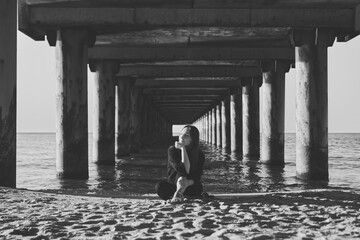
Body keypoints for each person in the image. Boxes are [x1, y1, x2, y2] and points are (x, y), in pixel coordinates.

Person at [155, 125, 205, 202]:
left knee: (199, 187)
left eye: (186, 135)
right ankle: (179, 193)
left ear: (193, 139)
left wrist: (187, 183)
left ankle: (178, 194)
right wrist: (183, 149)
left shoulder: (199, 154)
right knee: (160, 186)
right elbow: (182, 170)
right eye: (181, 134)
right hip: (174, 185)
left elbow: (197, 176)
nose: (182, 137)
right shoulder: (172, 150)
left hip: (190, 186)